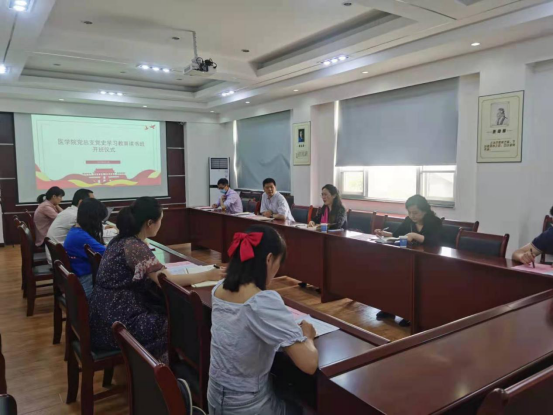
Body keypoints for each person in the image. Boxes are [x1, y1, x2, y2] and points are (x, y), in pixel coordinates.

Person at [89, 197, 222, 360]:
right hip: (116, 323)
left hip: (104, 314)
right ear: (149, 223)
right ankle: (167, 368)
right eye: (160, 220)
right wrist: (207, 275)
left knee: (169, 310)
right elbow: (166, 280)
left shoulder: (122, 240)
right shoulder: (134, 246)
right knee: (179, 323)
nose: (161, 224)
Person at [208, 225, 318, 415]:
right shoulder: (260, 301)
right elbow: (309, 364)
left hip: (215, 399)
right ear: (269, 259)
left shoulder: (219, 288)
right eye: (278, 263)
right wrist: (308, 336)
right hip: (247, 407)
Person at [374, 194, 442, 327]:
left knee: (410, 279)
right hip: (410, 257)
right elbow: (397, 235)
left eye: (415, 213)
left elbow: (435, 242)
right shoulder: (409, 220)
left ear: (425, 210)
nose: (412, 216)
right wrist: (383, 233)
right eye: (409, 212)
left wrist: (414, 235)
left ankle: (410, 314)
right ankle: (390, 308)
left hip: (429, 261)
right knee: (390, 274)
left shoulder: (435, 222)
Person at [64, 198, 107, 298]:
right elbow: (107, 254)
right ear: (92, 219)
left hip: (81, 277)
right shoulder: (82, 237)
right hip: (86, 284)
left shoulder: (76, 231)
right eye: (99, 220)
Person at [46, 189, 94, 264]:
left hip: (56, 256)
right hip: (61, 260)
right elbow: (90, 235)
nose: (95, 204)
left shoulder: (70, 211)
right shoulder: (75, 216)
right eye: (92, 201)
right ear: (81, 202)